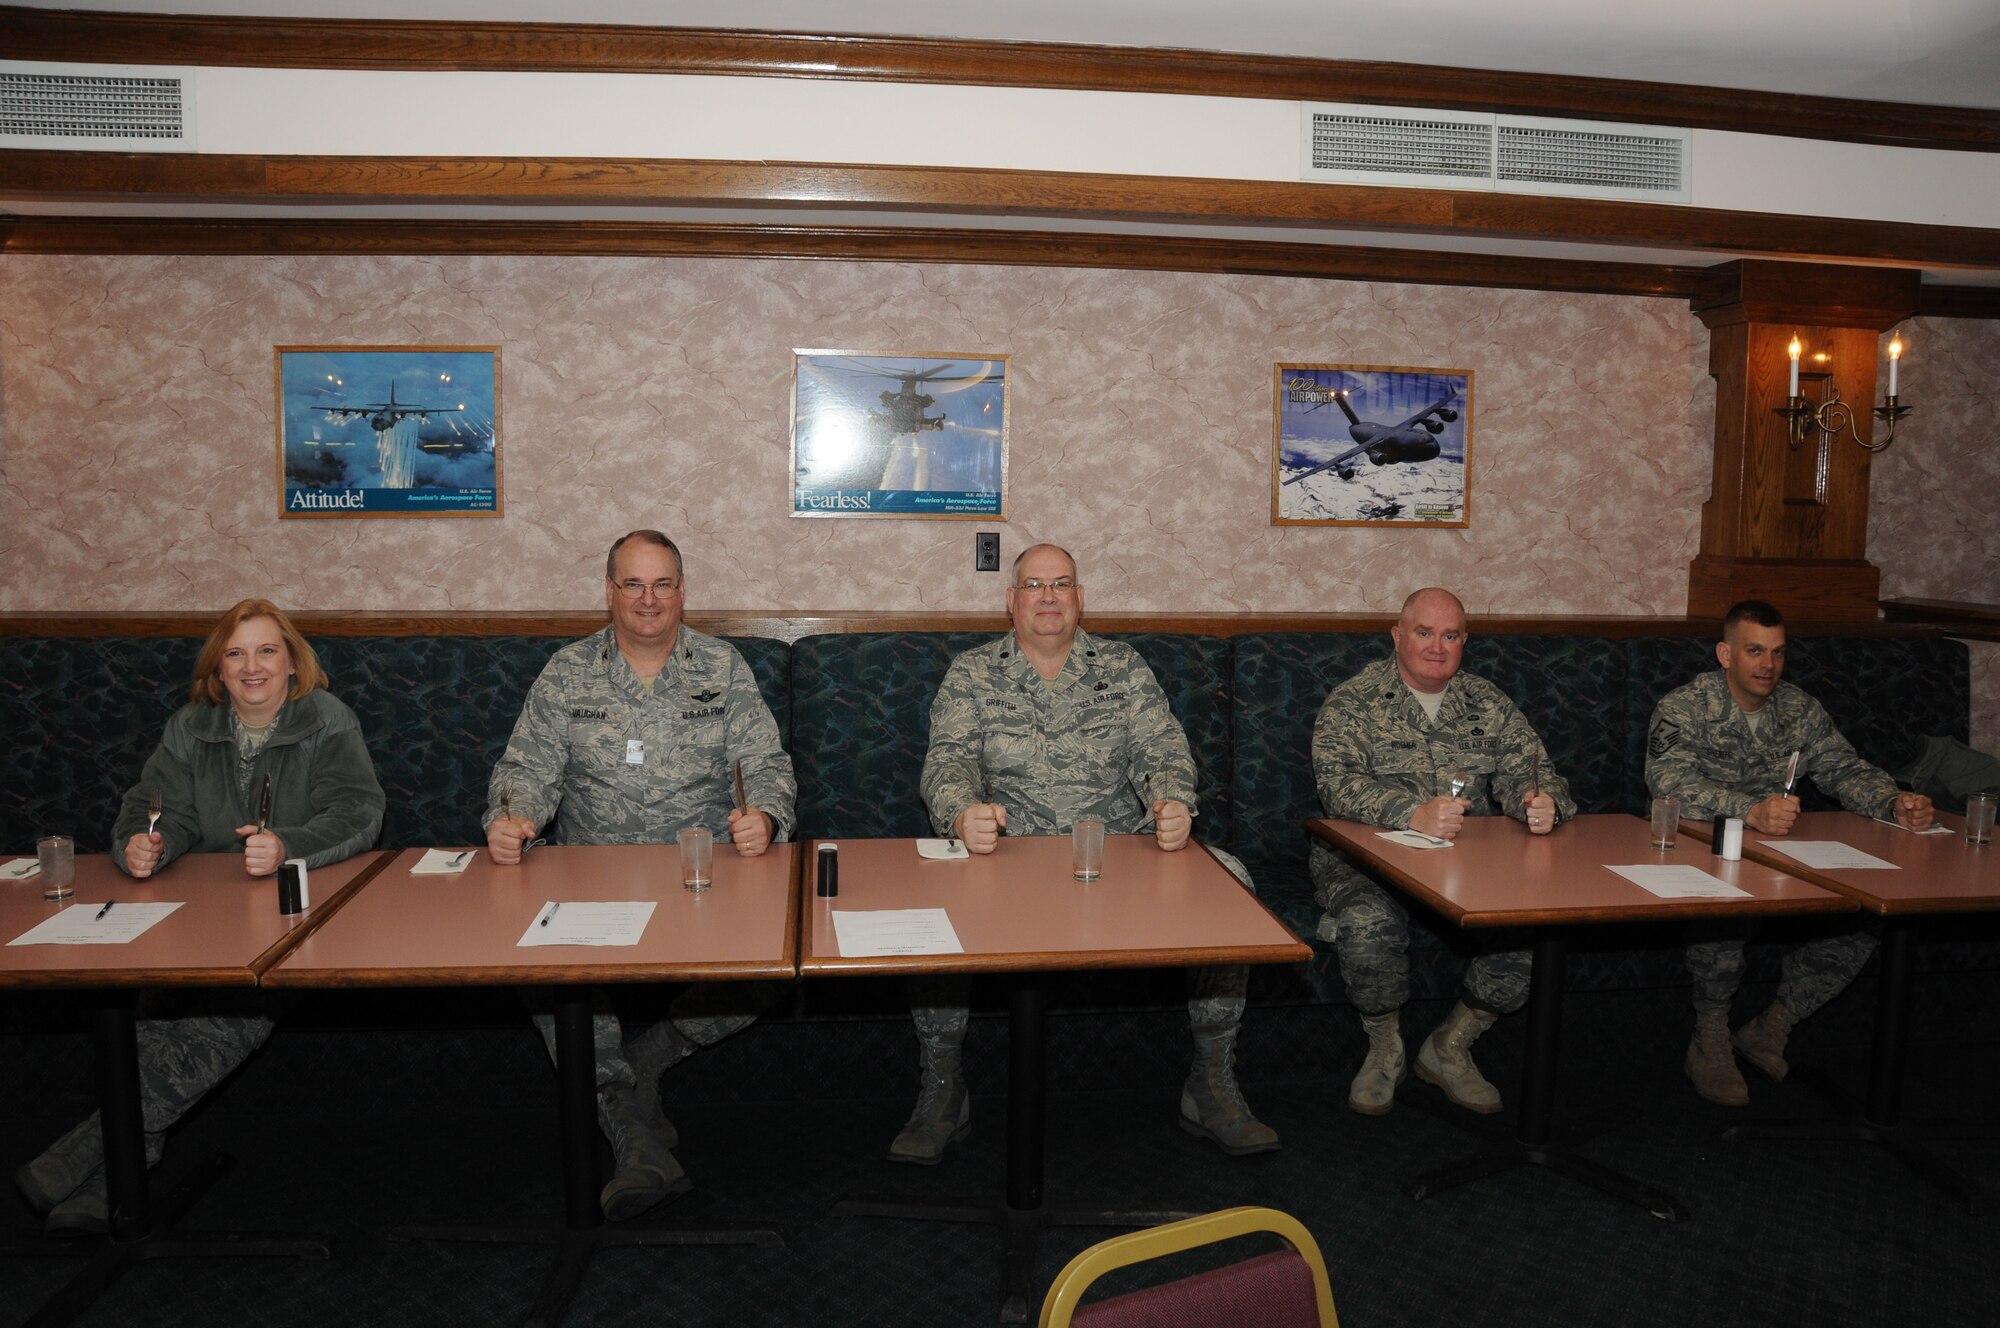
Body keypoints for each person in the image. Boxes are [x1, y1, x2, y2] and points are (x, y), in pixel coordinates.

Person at [15, 599, 384, 1234]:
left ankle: (86, 1155)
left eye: (267, 651)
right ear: (217, 670)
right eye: (235, 654)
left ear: (293, 664)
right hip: (198, 908)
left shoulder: (327, 720)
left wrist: (287, 844)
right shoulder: (191, 725)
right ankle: (121, 1169)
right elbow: (156, 808)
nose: (252, 667)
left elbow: (358, 812)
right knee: (154, 1012)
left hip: (295, 912)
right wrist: (143, 843)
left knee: (220, 1013)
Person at [903, 543, 1278, 1163]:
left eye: (1061, 585)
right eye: (1033, 586)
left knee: (1231, 877)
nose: (1047, 598)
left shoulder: (1123, 666)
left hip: (1116, 854)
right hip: (1007, 854)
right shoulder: (973, 672)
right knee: (930, 896)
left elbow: (1163, 751)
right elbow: (947, 761)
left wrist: (1172, 804)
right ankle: (942, 1089)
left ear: (1079, 598)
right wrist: (962, 813)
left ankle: (1211, 1081)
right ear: (1010, 600)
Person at [484, 530, 796, 1219]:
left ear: (683, 592)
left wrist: (765, 817)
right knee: (542, 978)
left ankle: (652, 1055)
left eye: (663, 585)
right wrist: (513, 818)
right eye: (633, 584)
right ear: (610, 591)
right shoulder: (567, 673)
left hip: (704, 877)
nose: (648, 600)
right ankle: (630, 1134)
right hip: (591, 877)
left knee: (784, 958)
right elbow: (524, 771)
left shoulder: (724, 666)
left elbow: (767, 767)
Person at [1647, 599, 1933, 1106]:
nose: (1768, 665)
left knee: (1870, 912)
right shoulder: (1685, 706)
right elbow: (1667, 783)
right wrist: (1749, 809)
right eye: (1755, 651)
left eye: (1778, 653)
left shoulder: (1799, 709)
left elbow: (1844, 770)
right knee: (1724, 912)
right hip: (1704, 848)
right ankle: (1710, 1036)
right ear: (1725, 654)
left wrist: (1894, 802)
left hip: (1786, 853)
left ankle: (1772, 1024)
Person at [1310, 587, 1575, 1116]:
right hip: (1367, 862)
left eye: (1450, 635)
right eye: (1424, 633)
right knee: (1366, 925)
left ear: (1464, 641)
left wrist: (1541, 802)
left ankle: (1452, 1043)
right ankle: (1386, 1046)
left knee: (1534, 925)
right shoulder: (1352, 701)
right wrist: (1409, 812)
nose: (1437, 646)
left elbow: (1533, 770)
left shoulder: (1487, 702)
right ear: (1397, 636)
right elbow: (1335, 784)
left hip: (1468, 863)